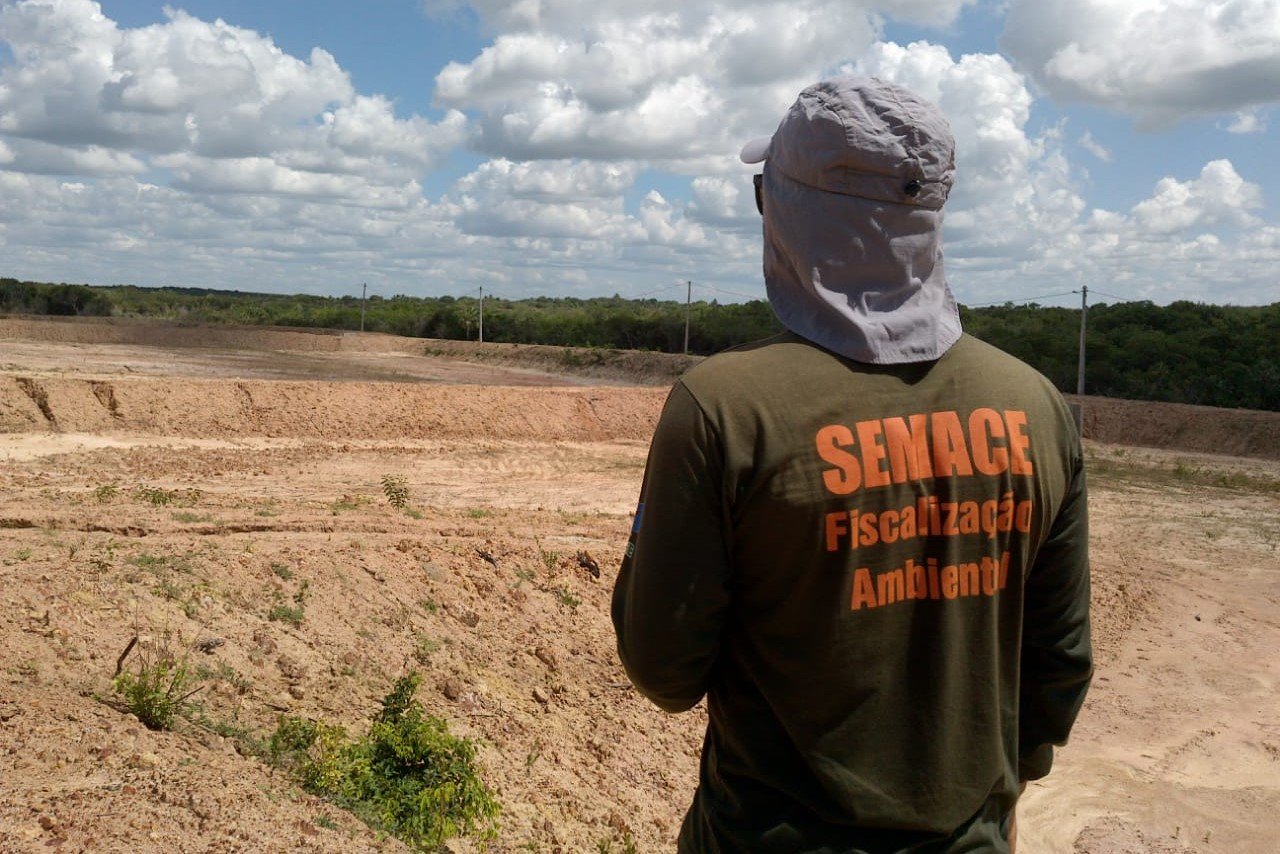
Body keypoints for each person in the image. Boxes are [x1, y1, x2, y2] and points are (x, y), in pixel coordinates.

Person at [611, 76, 1092, 853]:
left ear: (789, 215)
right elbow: (1059, 664)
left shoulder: (721, 408)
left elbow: (664, 670)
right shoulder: (1036, 405)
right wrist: (998, 789)